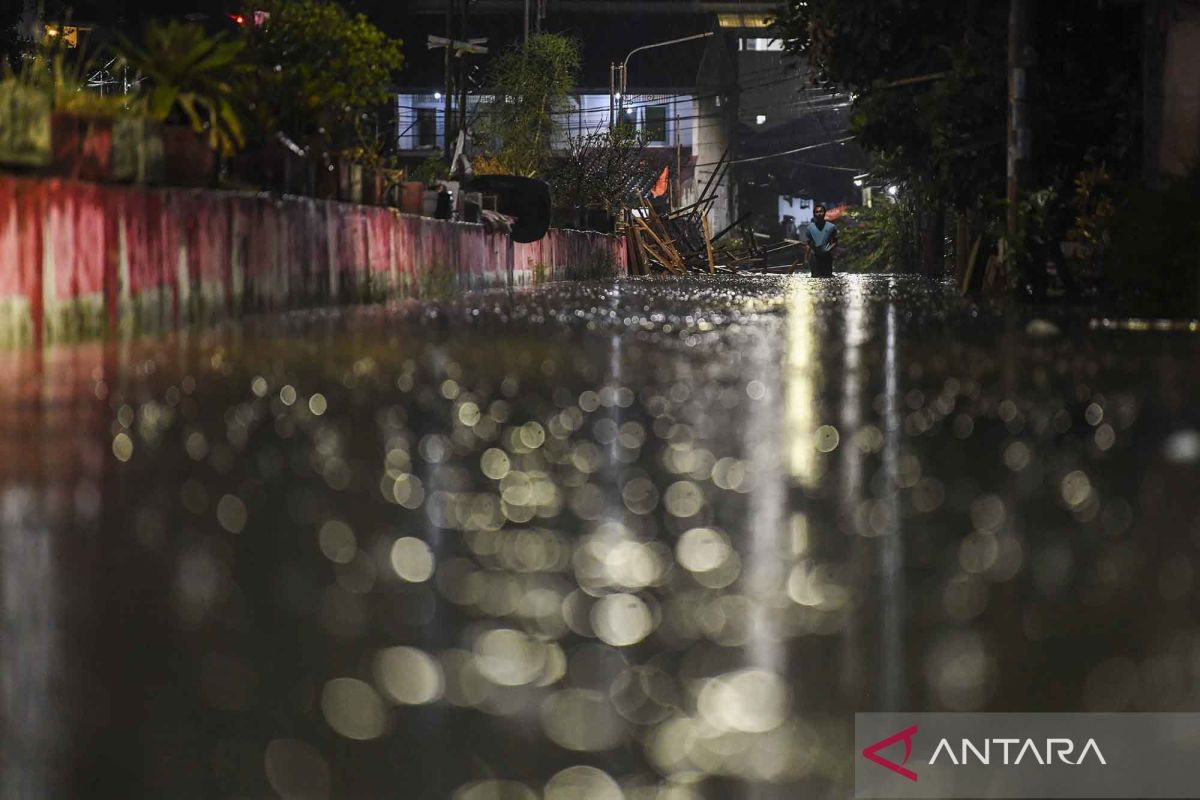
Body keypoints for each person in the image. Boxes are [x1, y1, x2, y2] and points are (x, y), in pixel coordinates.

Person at [804, 204, 839, 277]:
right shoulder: (810, 228)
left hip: (827, 256)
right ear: (814, 214)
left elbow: (835, 242)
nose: (819, 213)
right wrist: (806, 259)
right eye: (817, 212)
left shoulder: (831, 227)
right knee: (815, 278)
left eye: (821, 211)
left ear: (824, 213)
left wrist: (829, 249)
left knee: (827, 278)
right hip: (814, 257)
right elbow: (807, 244)